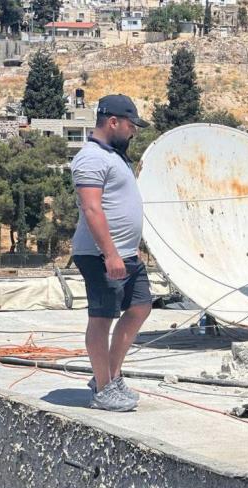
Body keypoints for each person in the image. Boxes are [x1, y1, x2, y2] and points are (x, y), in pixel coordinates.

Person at [71, 94, 150, 412]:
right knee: (102, 318)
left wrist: (129, 249)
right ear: (113, 122)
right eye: (131, 125)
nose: (134, 132)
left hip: (126, 253)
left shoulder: (116, 156)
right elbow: (91, 208)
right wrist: (111, 254)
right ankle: (103, 389)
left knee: (141, 307)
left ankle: (109, 375)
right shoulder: (91, 158)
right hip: (99, 254)